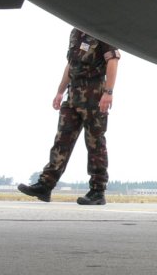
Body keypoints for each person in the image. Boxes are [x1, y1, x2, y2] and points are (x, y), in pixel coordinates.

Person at [18, 28, 120, 206]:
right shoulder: (76, 32)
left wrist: (108, 92)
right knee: (61, 141)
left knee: (95, 143)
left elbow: (113, 59)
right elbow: (71, 65)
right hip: (73, 95)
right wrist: (60, 91)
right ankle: (45, 185)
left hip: (94, 95)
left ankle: (97, 191)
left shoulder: (101, 31)